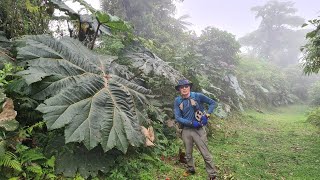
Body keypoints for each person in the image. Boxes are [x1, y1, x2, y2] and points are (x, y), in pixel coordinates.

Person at [173, 79, 217, 180]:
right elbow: (178, 117)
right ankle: (190, 168)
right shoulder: (178, 101)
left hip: (199, 130)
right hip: (186, 130)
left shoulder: (197, 96)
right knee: (188, 153)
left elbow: (213, 103)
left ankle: (212, 175)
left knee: (205, 153)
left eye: (186, 86)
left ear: (189, 87)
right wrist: (191, 123)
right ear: (179, 89)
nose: (184, 88)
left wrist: (207, 115)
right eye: (182, 87)